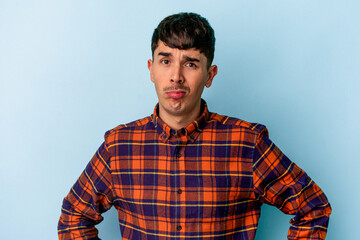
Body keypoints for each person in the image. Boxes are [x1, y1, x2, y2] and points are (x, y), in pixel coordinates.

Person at [58, 12, 331, 240]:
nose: (176, 77)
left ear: (209, 75)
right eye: (166, 61)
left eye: (190, 63)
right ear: (151, 70)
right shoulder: (119, 147)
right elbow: (74, 217)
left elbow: (313, 207)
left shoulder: (248, 144)